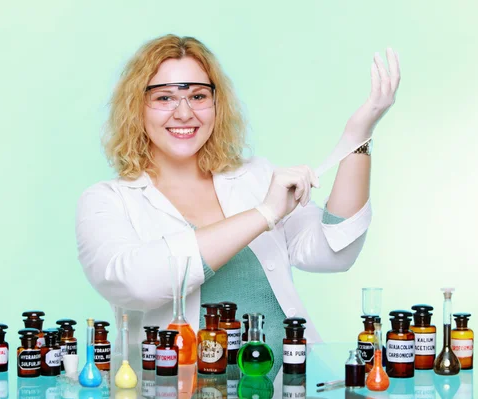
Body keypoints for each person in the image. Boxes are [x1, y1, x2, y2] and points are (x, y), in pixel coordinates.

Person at [76, 35, 400, 357]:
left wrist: (358, 134)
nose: (185, 113)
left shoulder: (257, 176)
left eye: (199, 96)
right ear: (136, 107)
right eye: (164, 98)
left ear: (217, 104)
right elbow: (136, 284)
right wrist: (264, 214)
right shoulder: (106, 201)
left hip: (288, 386)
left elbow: (333, 252)